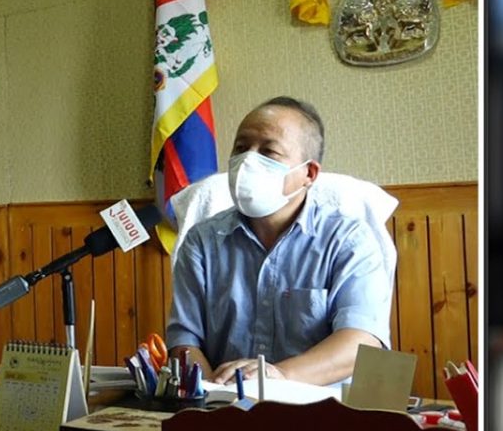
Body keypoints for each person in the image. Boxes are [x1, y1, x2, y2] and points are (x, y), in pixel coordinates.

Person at [165, 97, 390, 387]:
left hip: (321, 408)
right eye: (241, 148)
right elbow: (184, 339)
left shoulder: (349, 240)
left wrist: (278, 376)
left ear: (309, 173)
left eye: (268, 151)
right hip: (224, 404)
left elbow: (361, 342)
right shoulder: (202, 241)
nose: (247, 161)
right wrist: (211, 394)